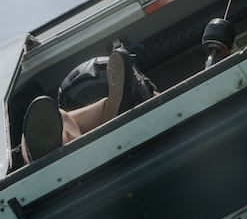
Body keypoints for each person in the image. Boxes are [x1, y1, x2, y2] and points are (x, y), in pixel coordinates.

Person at [21, 47, 157, 162]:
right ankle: (114, 107)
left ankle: (55, 155)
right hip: (141, 135)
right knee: (58, 118)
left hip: (82, 167)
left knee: (59, 118)